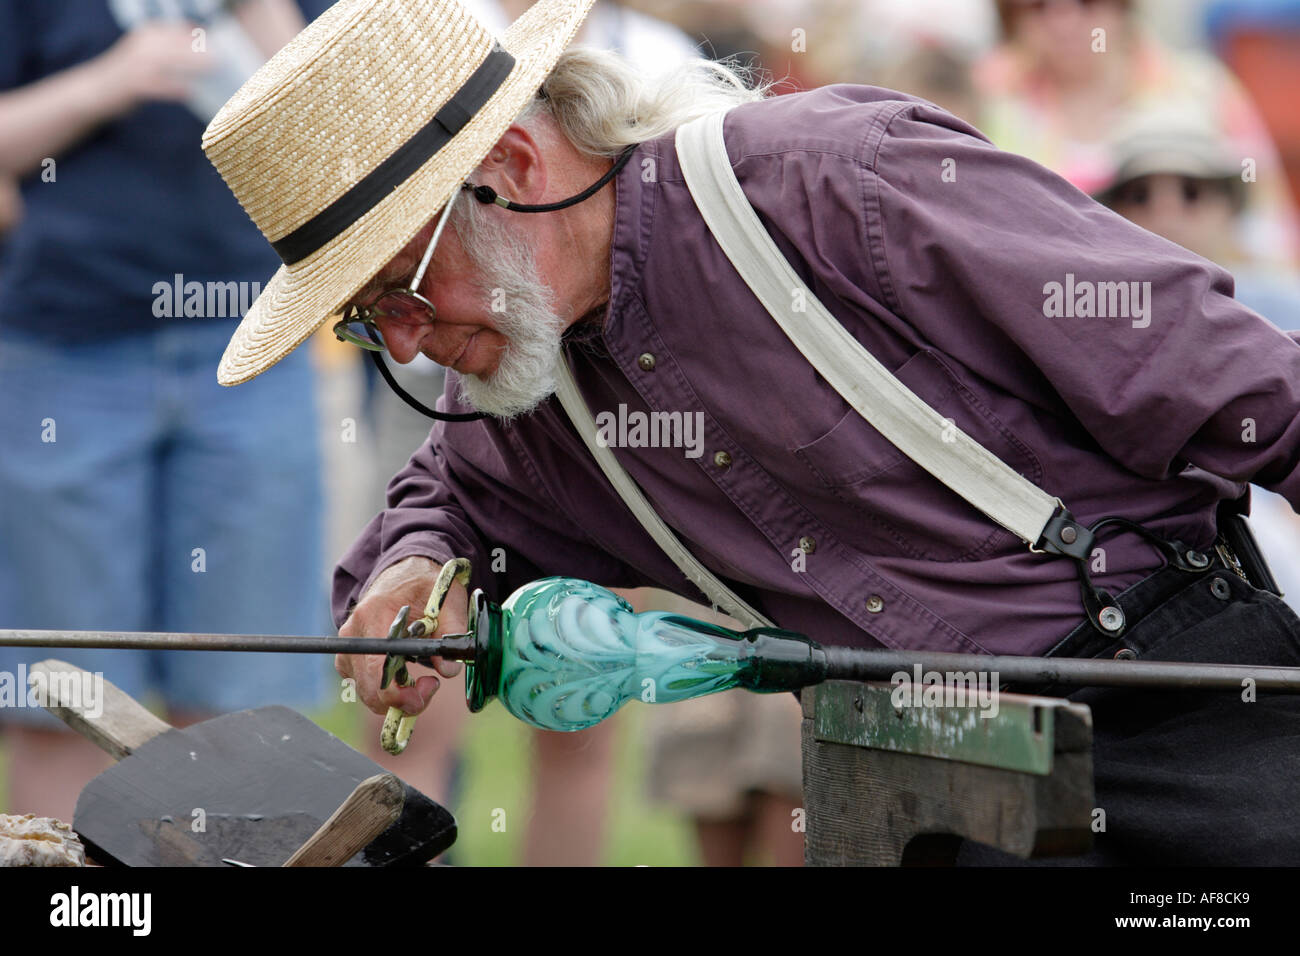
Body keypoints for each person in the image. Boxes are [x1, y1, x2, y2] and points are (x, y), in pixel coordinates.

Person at [203, 0, 1300, 865]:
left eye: (399, 287)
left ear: (511, 176)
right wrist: (412, 566)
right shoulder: (523, 383)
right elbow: (447, 498)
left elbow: (1228, 377)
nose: (401, 341)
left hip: (1178, 705)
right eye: (366, 318)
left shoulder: (839, 178)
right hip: (927, 778)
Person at [0, 0, 332, 822]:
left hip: (254, 344)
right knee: (59, 698)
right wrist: (105, 83)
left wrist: (259, 13)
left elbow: (339, 143)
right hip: (61, 350)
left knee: (244, 701)